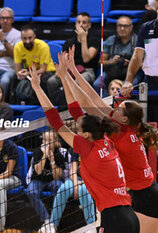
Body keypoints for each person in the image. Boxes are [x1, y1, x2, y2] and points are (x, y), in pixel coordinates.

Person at [29, 54, 139, 233]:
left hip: (114, 218)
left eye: (78, 130)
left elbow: (56, 121)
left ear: (86, 135)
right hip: (129, 214)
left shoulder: (87, 149)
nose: (76, 130)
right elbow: (76, 110)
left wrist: (37, 88)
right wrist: (65, 77)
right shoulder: (107, 139)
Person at [57, 47, 158, 233]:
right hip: (144, 193)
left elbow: (89, 103)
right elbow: (94, 100)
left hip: (146, 198)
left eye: (120, 109)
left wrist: (68, 75)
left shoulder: (120, 133)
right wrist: (71, 72)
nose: (115, 108)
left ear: (125, 118)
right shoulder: (126, 128)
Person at [47, 12, 100, 107]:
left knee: (76, 83)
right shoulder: (69, 42)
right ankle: (57, 106)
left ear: (89, 25)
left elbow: (86, 59)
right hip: (70, 70)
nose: (81, 25)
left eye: (84, 22)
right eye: (79, 22)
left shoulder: (94, 41)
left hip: (87, 71)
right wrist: (61, 71)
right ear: (75, 24)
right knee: (52, 81)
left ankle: (74, 107)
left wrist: (83, 39)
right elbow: (64, 60)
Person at [121, 0, 158, 122]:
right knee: (149, 125)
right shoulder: (146, 27)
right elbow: (137, 56)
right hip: (150, 82)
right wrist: (128, 81)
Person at [25, 131, 65, 233]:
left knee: (61, 189)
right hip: (38, 180)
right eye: (44, 140)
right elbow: (38, 172)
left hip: (52, 180)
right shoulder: (38, 152)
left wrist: (52, 161)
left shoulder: (59, 154)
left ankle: (54, 221)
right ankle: (46, 220)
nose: (46, 143)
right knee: (31, 191)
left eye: (49, 140)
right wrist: (44, 156)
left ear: (55, 142)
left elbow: (57, 176)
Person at [93, 16, 143, 97]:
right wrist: (112, 61)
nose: (122, 28)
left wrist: (131, 63)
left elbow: (144, 64)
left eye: (125, 26)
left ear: (131, 27)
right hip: (113, 70)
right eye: (120, 25)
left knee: (127, 86)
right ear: (116, 27)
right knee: (97, 84)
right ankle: (106, 105)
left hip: (132, 72)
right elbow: (101, 62)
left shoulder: (138, 41)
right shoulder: (111, 40)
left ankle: (124, 107)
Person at [49, 150, 95, 233]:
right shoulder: (77, 148)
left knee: (83, 190)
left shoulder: (94, 149)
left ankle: (91, 226)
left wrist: (82, 183)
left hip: (90, 180)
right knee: (63, 189)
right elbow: (72, 171)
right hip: (76, 179)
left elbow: (94, 173)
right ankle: (53, 224)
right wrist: (75, 185)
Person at [14, 24, 55, 104]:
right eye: (24, 38)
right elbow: (17, 70)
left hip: (47, 72)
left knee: (41, 80)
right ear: (21, 38)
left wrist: (28, 74)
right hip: (29, 72)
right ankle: (18, 104)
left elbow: (42, 70)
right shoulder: (17, 47)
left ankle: (41, 104)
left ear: (34, 36)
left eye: (30, 38)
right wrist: (19, 74)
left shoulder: (43, 46)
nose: (27, 41)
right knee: (14, 79)